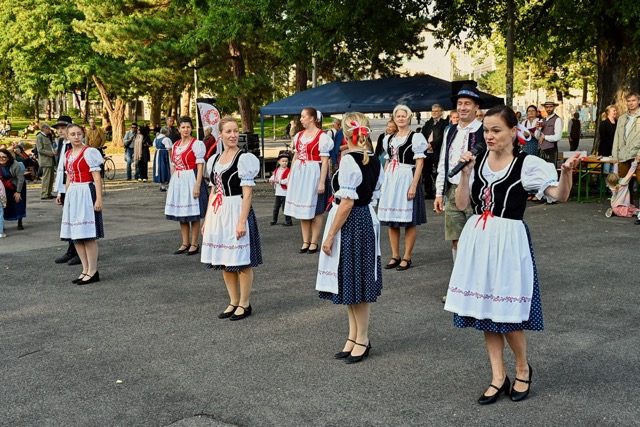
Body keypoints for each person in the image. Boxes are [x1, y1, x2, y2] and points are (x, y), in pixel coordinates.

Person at [444, 105, 581, 405]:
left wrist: (566, 173)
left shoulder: (527, 164)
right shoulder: (477, 161)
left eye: (496, 130)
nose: (489, 136)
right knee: (484, 311)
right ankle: (498, 376)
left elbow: (560, 195)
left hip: (508, 241)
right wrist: (465, 175)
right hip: (478, 239)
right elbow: (463, 204)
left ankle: (522, 368)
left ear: (513, 131)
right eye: (486, 130)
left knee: (509, 314)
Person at [316, 112, 384, 364]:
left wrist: (330, 235)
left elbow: (346, 204)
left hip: (352, 222)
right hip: (364, 219)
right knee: (352, 282)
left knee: (358, 283)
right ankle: (353, 336)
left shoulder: (348, 161)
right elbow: (373, 195)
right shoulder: (375, 160)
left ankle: (363, 339)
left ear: (345, 134)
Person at [201, 117, 262, 321]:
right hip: (219, 212)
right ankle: (233, 301)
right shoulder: (214, 159)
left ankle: (245, 303)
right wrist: (207, 219)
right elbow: (213, 192)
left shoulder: (244, 159)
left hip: (236, 209)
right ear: (220, 134)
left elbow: (248, 193)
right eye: (228, 131)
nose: (233, 135)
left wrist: (242, 221)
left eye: (235, 131)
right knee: (224, 260)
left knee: (242, 261)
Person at [434, 84, 486, 301]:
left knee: (478, 242)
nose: (463, 108)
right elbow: (443, 163)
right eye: (460, 104)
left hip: (478, 192)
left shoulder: (484, 130)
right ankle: (459, 288)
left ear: (476, 107)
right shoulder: (450, 131)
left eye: (468, 104)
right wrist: (439, 192)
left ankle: (479, 288)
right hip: (453, 190)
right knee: (456, 240)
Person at [377, 104, 427, 271]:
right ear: (394, 118)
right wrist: (382, 183)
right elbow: (388, 161)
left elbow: (420, 163)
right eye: (398, 116)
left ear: (409, 118)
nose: (400, 118)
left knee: (409, 221)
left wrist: (414, 185)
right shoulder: (389, 138)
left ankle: (407, 256)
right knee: (392, 220)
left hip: (407, 177)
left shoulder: (416, 137)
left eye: (403, 116)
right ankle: (395, 255)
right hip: (392, 178)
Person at [57, 124, 105, 285]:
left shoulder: (89, 152)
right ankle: (85, 269)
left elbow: (96, 178)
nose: (76, 137)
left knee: (87, 234)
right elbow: (69, 177)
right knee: (76, 236)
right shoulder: (68, 154)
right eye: (72, 134)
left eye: (79, 134)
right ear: (67, 136)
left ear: (83, 135)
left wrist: (99, 199)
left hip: (86, 192)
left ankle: (93, 271)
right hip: (73, 193)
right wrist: (65, 197)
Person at [284, 108, 333, 254]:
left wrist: (322, 182)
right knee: (302, 209)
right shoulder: (299, 135)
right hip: (300, 174)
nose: (301, 119)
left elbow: (325, 161)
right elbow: (296, 156)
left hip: (314, 173)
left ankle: (314, 241)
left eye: (303, 116)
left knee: (316, 210)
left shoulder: (322, 137)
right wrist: (290, 176)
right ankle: (305, 240)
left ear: (312, 118)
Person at [164, 116, 208, 256]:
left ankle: (194, 243)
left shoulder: (196, 144)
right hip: (178, 181)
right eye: (183, 127)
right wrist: (171, 185)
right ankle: (185, 242)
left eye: (188, 127)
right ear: (178, 129)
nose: (186, 129)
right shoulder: (176, 145)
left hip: (191, 178)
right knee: (181, 213)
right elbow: (173, 166)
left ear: (191, 128)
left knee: (194, 214)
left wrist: (197, 185)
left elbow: (200, 166)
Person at [53, 118, 81, 266]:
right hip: (64, 186)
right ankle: (71, 250)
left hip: (75, 186)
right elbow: (61, 168)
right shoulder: (61, 143)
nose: (60, 130)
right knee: (68, 220)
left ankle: (79, 252)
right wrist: (59, 192)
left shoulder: (74, 145)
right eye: (58, 128)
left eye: (63, 127)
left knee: (76, 219)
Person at [612, 93, 640, 204]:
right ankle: (627, 207)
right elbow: (617, 138)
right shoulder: (622, 118)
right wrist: (615, 156)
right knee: (624, 183)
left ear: (638, 101)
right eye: (628, 101)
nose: (631, 103)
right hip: (623, 155)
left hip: (637, 154)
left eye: (633, 100)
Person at [421, 104, 447, 199]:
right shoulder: (428, 123)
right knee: (426, 172)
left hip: (437, 150)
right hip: (426, 151)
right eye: (432, 111)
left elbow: (443, 136)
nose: (434, 113)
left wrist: (432, 144)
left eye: (436, 111)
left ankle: (440, 192)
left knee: (439, 171)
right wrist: (425, 145)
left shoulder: (444, 123)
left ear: (441, 112)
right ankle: (428, 192)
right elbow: (423, 134)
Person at [605, 158, 640, 222]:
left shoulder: (611, 186)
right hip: (624, 204)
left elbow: (615, 174)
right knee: (629, 210)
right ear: (617, 177)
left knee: (618, 210)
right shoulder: (623, 182)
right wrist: (635, 162)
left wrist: (615, 164)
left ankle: (613, 211)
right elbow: (630, 173)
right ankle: (635, 212)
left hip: (615, 205)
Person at [0, 148, 26, 230]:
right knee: (4, 204)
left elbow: (20, 179)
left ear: (8, 158)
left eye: (4, 157)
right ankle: (1, 225)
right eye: (0, 157)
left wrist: (18, 192)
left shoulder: (15, 164)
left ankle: (20, 222)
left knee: (19, 202)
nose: (1, 159)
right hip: (4, 185)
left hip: (17, 184)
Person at [269, 153, 293, 226]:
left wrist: (279, 181)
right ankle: (274, 220)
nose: (285, 163)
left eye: (286, 161)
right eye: (283, 161)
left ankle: (288, 221)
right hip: (278, 192)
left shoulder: (288, 171)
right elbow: (273, 176)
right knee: (276, 208)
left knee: (285, 208)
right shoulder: (276, 170)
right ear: (279, 162)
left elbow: (287, 180)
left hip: (285, 192)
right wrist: (271, 179)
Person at [537, 100, 563, 167]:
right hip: (541, 149)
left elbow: (558, 137)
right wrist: (537, 129)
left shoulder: (557, 119)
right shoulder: (542, 120)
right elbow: (537, 136)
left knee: (551, 170)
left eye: (550, 107)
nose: (548, 109)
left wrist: (545, 137)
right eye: (546, 107)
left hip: (551, 149)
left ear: (554, 107)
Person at [35, 123, 57, 199]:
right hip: (45, 160)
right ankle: (44, 194)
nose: (49, 130)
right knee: (46, 178)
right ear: (45, 129)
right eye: (48, 128)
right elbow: (40, 150)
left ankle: (48, 193)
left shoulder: (47, 137)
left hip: (50, 160)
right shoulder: (39, 137)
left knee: (51, 178)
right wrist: (51, 153)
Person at [598, 105, 617, 175]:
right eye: (614, 111)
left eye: (616, 111)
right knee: (606, 170)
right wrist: (612, 144)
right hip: (605, 151)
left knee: (613, 171)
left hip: (615, 152)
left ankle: (612, 182)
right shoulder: (603, 123)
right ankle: (604, 182)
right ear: (608, 112)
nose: (615, 112)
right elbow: (603, 137)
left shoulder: (618, 123)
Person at [153, 126, 173, 192]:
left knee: (160, 169)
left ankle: (162, 185)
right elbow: (169, 149)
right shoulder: (166, 139)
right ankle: (169, 184)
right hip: (164, 155)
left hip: (158, 155)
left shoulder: (156, 138)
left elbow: (154, 146)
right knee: (166, 168)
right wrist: (171, 157)